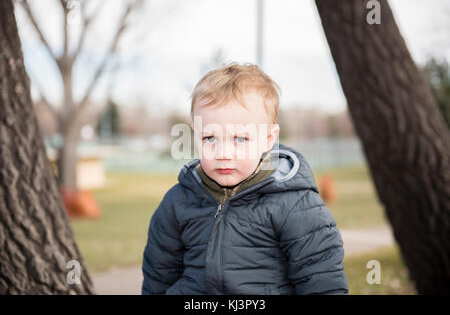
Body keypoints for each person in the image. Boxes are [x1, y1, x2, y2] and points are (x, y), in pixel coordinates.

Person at [141, 63, 348, 295]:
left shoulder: (295, 204)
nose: (223, 154)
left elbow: (322, 280)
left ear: (268, 139)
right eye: (210, 137)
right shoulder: (177, 202)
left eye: (240, 139)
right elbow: (158, 275)